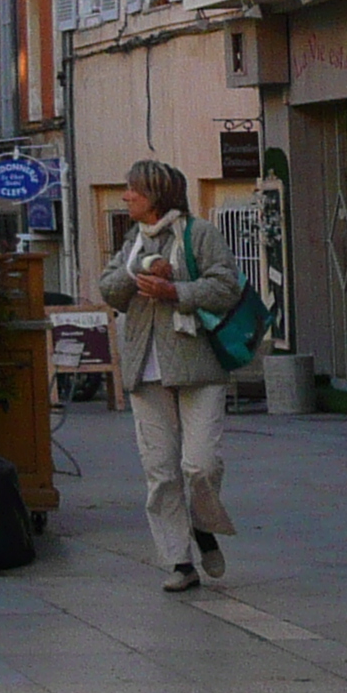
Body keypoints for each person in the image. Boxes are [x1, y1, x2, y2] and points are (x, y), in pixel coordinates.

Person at [96, 158, 242, 592]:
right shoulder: (132, 241)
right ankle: (179, 562)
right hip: (146, 366)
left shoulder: (200, 234)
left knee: (200, 465)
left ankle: (202, 527)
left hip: (198, 364)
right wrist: (138, 271)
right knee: (160, 471)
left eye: (133, 190)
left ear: (155, 196)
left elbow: (226, 287)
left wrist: (175, 289)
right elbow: (108, 289)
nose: (125, 196)